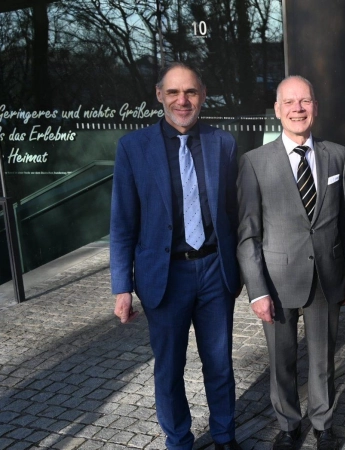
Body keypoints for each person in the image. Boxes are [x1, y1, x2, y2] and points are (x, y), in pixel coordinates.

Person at [110, 62, 241, 450]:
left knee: (219, 366)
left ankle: (224, 437)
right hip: (164, 277)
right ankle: (179, 441)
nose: (182, 101)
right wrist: (122, 287)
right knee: (169, 369)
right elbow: (122, 223)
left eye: (191, 92)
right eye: (173, 93)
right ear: (159, 95)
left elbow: (233, 212)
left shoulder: (224, 144)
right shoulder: (133, 148)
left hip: (215, 271)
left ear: (202, 95)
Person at [236, 75, 345, 450]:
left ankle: (323, 424)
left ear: (315, 107)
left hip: (326, 275)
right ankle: (288, 426)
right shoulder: (254, 162)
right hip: (276, 280)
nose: (298, 109)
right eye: (289, 102)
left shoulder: (338, 155)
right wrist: (256, 291)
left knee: (323, 360)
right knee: (282, 361)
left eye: (305, 101)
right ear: (277, 110)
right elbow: (248, 234)